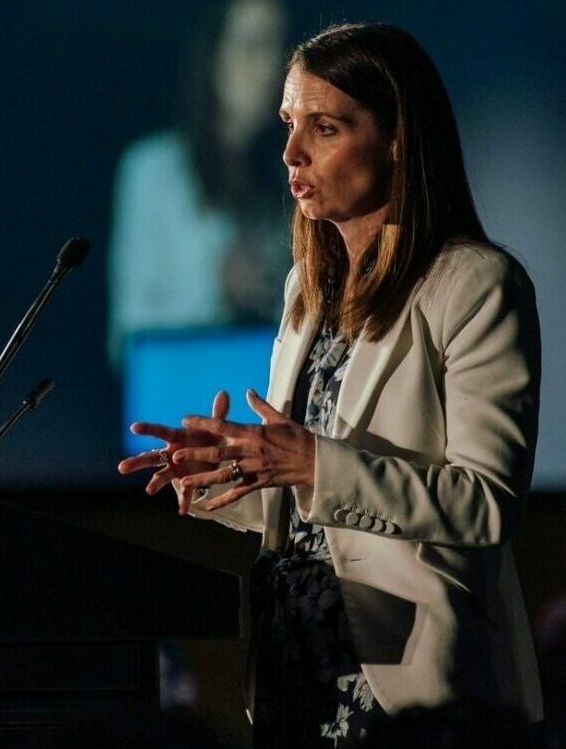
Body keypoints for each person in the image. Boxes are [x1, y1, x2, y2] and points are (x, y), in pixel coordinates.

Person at [117, 22, 543, 748]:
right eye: (289, 124)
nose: (290, 153)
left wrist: (314, 462)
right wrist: (231, 475)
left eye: (324, 127)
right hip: (292, 667)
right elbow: (309, 511)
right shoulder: (306, 289)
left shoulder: (473, 285)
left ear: (398, 137)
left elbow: (484, 504)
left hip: (404, 679)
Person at [106, 0, 291, 366]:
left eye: (281, 48)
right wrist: (216, 286)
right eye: (253, 45)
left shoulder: (293, 178)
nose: (272, 68)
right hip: (182, 400)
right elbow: (127, 333)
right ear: (213, 55)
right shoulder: (153, 172)